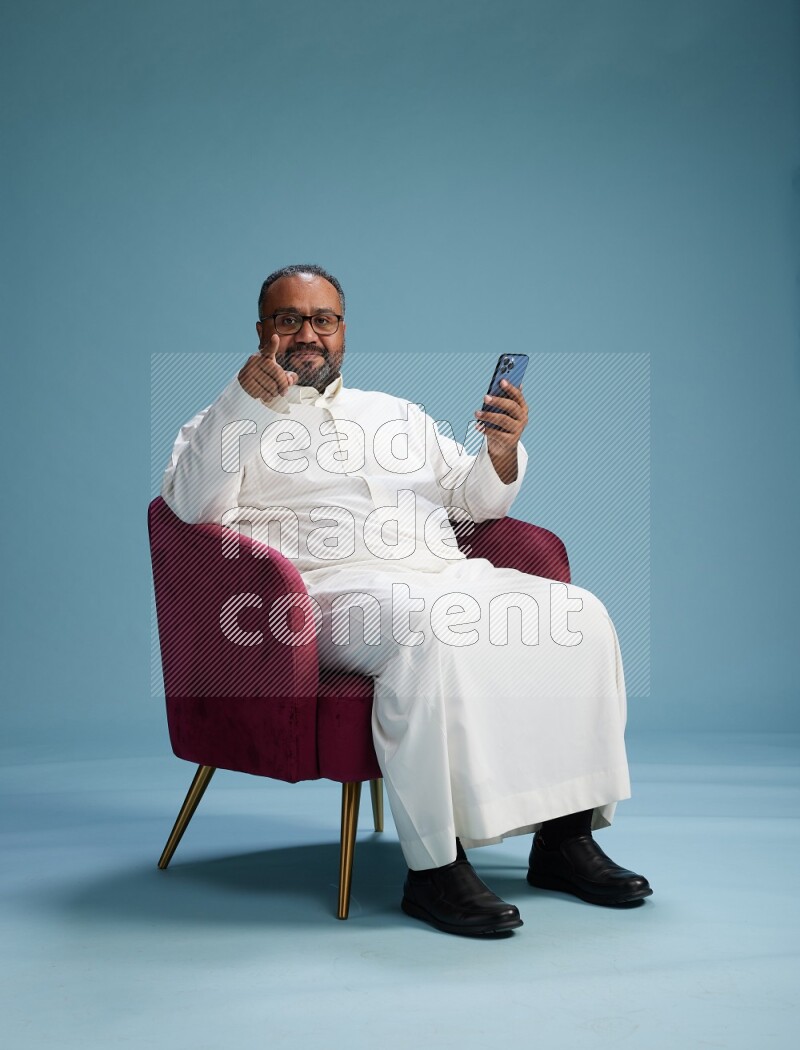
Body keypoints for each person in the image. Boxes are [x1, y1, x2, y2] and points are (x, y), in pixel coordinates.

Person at [161, 263, 652, 936]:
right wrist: (241, 404)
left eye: (323, 320)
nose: (308, 334)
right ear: (261, 330)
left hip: (444, 572)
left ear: (342, 330)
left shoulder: (396, 414)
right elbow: (188, 507)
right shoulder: (220, 421)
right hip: (324, 596)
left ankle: (565, 839)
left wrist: (501, 450)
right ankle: (435, 869)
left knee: (580, 616)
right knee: (429, 629)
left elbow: (474, 502)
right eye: (289, 319)